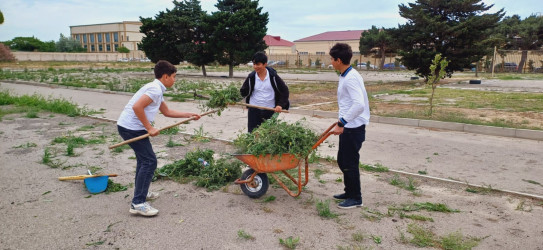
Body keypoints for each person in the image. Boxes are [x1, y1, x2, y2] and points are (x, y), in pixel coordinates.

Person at [117, 60, 201, 216]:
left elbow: (167, 112)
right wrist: (149, 127)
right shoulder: (155, 89)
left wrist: (189, 115)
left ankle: (141, 193)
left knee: (144, 161)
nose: (175, 80)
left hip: (131, 127)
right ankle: (138, 203)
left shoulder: (157, 89)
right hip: (131, 128)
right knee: (150, 161)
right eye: (174, 77)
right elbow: (137, 107)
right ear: (165, 76)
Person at [329, 43, 370, 209]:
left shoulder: (351, 77)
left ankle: (356, 197)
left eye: (332, 59)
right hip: (349, 126)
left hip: (353, 127)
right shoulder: (346, 74)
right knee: (343, 160)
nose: (331, 62)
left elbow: (359, 104)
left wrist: (342, 122)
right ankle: (349, 191)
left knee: (349, 162)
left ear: (338, 60)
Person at [240, 52, 289, 133]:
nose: (255, 67)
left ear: (265, 64)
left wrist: (280, 105)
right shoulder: (251, 77)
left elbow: (284, 91)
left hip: (269, 110)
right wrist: (232, 99)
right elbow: (243, 91)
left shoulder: (273, 77)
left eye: (258, 64)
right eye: (254, 64)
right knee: (252, 134)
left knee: (267, 135)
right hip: (254, 110)